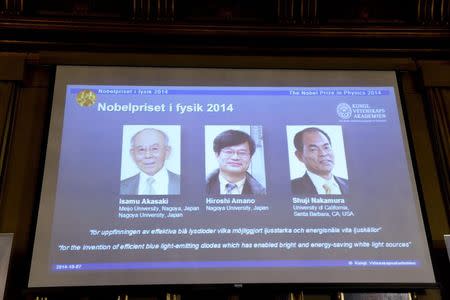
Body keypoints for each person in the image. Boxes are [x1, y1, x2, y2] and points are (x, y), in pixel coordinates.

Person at [120, 128, 180, 195]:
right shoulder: (121, 187)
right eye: (141, 150)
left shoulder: (183, 183)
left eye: (154, 149)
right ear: (132, 154)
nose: (148, 155)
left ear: (167, 152)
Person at [291, 127, 349, 195]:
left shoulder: (350, 185)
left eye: (326, 147)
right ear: (299, 156)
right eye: (313, 149)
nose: (323, 154)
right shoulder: (292, 188)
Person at [206, 130, 266, 195]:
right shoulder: (199, 188)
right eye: (228, 152)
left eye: (242, 153)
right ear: (217, 155)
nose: (235, 158)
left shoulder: (262, 193)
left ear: (250, 157)